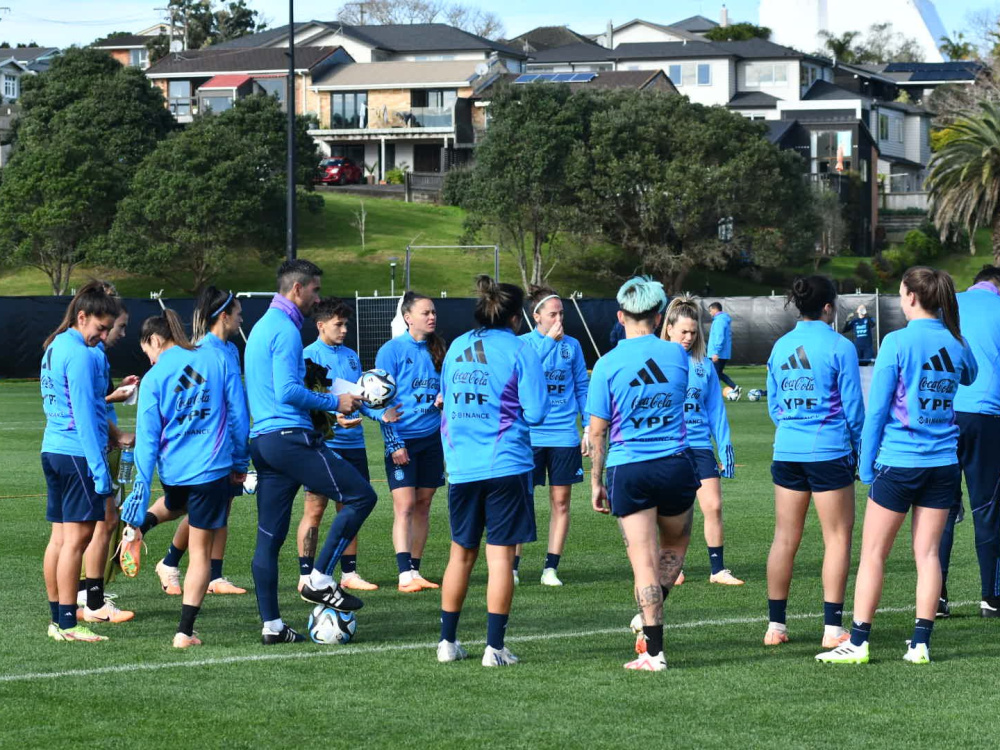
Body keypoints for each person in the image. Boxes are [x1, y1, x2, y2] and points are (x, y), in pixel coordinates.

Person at [817, 267, 977, 664]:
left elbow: (876, 412)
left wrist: (866, 467)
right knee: (928, 556)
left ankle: (857, 642)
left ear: (909, 297)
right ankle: (920, 644)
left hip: (899, 463)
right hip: (942, 465)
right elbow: (971, 374)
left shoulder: (897, 341)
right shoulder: (955, 341)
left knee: (873, 553)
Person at [245, 259, 376, 644]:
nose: (317, 297)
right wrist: (337, 402)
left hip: (265, 442)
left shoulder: (260, 328)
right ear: (298, 289)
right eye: (315, 290)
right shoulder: (285, 329)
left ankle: (272, 627)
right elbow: (288, 391)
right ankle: (318, 578)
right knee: (361, 495)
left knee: (269, 537)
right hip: (290, 439)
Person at [436, 276, 549, 666]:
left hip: (462, 465)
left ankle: (446, 643)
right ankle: (494, 647)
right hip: (505, 463)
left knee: (460, 553)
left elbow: (448, 401)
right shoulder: (520, 349)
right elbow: (535, 413)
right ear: (517, 318)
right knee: (500, 557)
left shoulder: (456, 347)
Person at [120, 309, 250, 648]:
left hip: (174, 472)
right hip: (211, 470)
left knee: (177, 504)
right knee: (201, 554)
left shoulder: (153, 378)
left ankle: (140, 527)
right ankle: (185, 631)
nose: (147, 357)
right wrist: (240, 460)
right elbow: (238, 413)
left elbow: (147, 440)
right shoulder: (217, 359)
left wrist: (140, 486)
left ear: (156, 340)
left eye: (145, 349)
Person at [588, 277, 698, 672]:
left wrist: (596, 482)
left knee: (644, 565)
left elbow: (597, 431)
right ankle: (649, 619)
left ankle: (654, 652)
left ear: (620, 316)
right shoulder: (678, 357)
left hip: (629, 468)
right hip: (674, 465)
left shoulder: (606, 364)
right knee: (675, 549)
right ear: (658, 316)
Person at [764, 276, 864, 650]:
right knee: (836, 538)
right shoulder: (841, 346)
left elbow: (774, 404)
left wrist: (794, 425)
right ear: (828, 308)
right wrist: (860, 452)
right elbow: (854, 410)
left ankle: (775, 626)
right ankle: (832, 628)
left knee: (785, 538)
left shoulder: (780, 346)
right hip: (829, 452)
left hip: (787, 450)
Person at [298, 297, 401, 592]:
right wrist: (334, 417)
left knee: (351, 508)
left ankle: (349, 573)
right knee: (314, 509)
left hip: (354, 444)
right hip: (324, 442)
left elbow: (360, 399)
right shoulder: (306, 356)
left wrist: (382, 414)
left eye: (346, 324)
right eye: (338, 324)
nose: (344, 330)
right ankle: (306, 574)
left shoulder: (352, 356)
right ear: (321, 325)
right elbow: (303, 402)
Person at [41, 281, 122, 642]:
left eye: (108, 329)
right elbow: (86, 416)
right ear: (82, 316)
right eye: (100, 327)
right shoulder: (77, 353)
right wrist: (100, 470)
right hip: (75, 453)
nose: (103, 336)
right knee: (78, 538)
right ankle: (67, 624)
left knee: (60, 538)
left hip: (53, 449)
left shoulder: (55, 346)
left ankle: (58, 618)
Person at [661, 297, 742, 587]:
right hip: (670, 448)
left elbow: (716, 413)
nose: (688, 337)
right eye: (683, 331)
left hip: (700, 447)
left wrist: (725, 449)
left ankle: (717, 569)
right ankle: (673, 566)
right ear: (668, 329)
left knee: (714, 506)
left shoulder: (704, 366)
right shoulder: (657, 362)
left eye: (693, 332)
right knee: (673, 514)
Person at [513, 286, 589, 587]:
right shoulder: (521, 345)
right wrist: (547, 342)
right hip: (529, 435)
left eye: (561, 313)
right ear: (537, 316)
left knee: (561, 502)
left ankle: (550, 568)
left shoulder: (573, 346)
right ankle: (514, 567)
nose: (559, 318)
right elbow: (520, 379)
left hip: (563, 435)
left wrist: (587, 429)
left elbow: (582, 386)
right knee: (522, 500)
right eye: (553, 313)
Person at [376, 291, 448, 593]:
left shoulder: (440, 349)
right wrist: (395, 444)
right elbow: (380, 402)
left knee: (423, 504)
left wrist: (446, 398)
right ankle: (404, 573)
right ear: (408, 317)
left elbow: (448, 387)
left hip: (432, 439)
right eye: (425, 313)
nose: (431, 317)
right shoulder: (391, 351)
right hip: (403, 440)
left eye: (433, 312)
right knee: (404, 505)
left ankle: (416, 570)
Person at [939, 265, 1000, 618]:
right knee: (988, 506)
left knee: (941, 509)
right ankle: (991, 597)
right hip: (986, 417)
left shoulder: (950, 304)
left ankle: (937, 598)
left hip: (942, 414)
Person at [76, 299, 137, 625]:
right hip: (93, 446)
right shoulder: (90, 354)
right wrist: (115, 411)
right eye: (117, 326)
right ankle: (89, 597)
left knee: (90, 525)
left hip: (98, 442)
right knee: (100, 522)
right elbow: (88, 405)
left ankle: (84, 594)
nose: (118, 333)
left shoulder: (82, 352)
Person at [707, 302, 741, 398]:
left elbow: (719, 337)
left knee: (714, 375)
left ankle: (713, 395)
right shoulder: (722, 320)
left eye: (710, 311)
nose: (710, 313)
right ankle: (735, 387)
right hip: (721, 353)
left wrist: (716, 352)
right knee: (717, 374)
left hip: (718, 354)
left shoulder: (719, 321)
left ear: (714, 309)